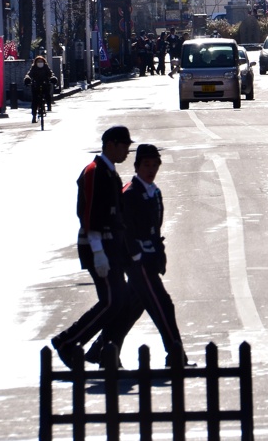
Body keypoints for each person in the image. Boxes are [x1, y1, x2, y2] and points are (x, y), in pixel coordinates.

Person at [85, 144, 191, 367]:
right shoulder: (130, 194)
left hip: (149, 260)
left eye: (154, 165)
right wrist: (135, 256)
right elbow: (125, 230)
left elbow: (156, 228)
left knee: (130, 309)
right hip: (137, 261)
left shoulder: (154, 192)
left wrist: (159, 256)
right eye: (146, 165)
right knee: (163, 304)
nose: (150, 169)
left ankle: (102, 350)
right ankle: (175, 355)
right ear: (137, 167)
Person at [51, 126, 135, 369]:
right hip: (97, 247)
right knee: (111, 301)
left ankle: (105, 352)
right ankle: (68, 341)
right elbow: (88, 216)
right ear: (110, 144)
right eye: (124, 145)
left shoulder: (110, 173)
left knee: (118, 302)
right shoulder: (93, 171)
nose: (127, 151)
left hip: (112, 248)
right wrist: (98, 252)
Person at [24, 55, 57, 122]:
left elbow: (51, 74)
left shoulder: (46, 67)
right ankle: (34, 116)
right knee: (34, 101)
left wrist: (53, 78)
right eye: (38, 61)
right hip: (36, 85)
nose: (40, 62)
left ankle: (49, 105)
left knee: (47, 94)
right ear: (35, 62)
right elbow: (29, 74)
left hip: (45, 84)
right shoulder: (34, 68)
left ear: (44, 62)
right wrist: (27, 79)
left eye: (41, 61)